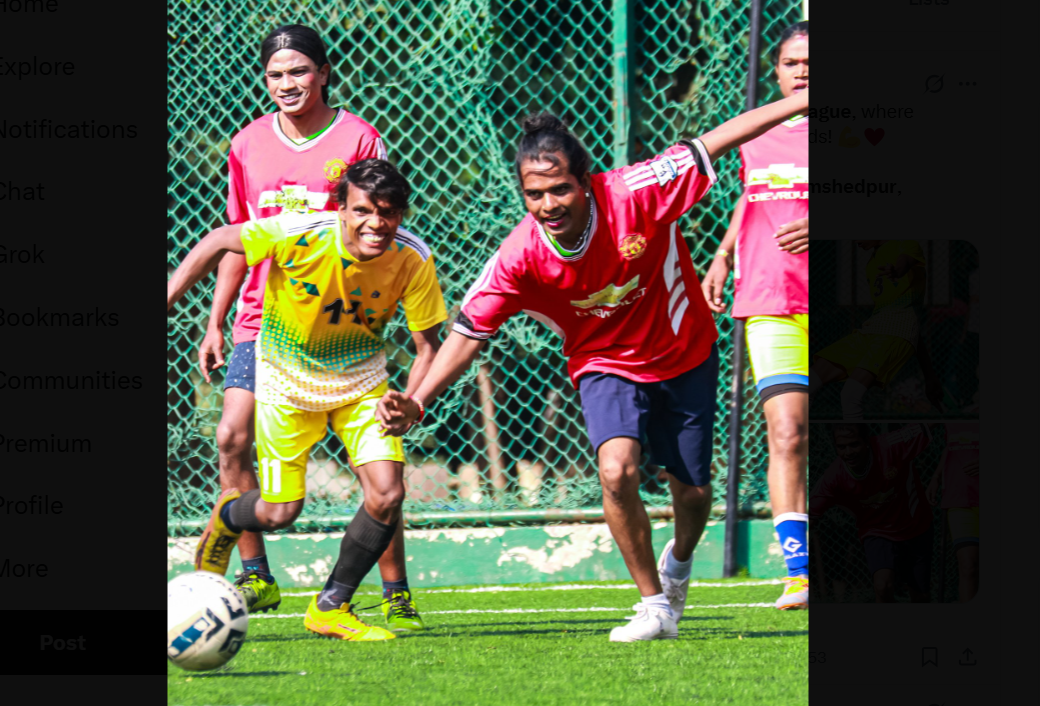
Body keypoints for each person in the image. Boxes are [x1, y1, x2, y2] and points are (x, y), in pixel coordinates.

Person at [377, 88, 810, 641]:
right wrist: (417, 403)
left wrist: (799, 103)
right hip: (604, 363)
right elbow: (468, 332)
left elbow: (722, 138)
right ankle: (653, 606)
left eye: (560, 188)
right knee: (616, 470)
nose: (548, 205)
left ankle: (678, 566)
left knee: (694, 494)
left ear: (585, 181)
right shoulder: (519, 255)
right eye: (535, 194)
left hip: (684, 351)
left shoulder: (637, 190)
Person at [197, 25, 423, 630]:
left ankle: (395, 589)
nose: (287, 83)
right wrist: (216, 319)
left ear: (323, 73)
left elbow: (378, 213)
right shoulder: (247, 144)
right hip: (263, 319)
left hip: (340, 324)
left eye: (299, 71)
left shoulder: (358, 138)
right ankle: (255, 574)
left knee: (379, 465)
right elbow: (236, 239)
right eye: (275, 74)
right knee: (231, 436)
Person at [169, 159, 447, 641]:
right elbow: (218, 240)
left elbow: (428, 349)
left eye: (388, 212)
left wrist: (413, 401)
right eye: (363, 210)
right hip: (287, 385)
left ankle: (331, 606)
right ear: (341, 209)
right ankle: (228, 517)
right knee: (280, 512)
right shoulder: (298, 232)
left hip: (362, 387)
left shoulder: (414, 258)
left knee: (387, 493)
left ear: (401, 214)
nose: (376, 223)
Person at [700, 20, 809, 610]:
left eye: (812, 62)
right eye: (792, 62)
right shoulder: (757, 132)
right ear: (776, 71)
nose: (803, 71)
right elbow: (753, 193)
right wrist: (722, 254)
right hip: (770, 302)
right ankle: (800, 574)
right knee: (786, 433)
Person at [808, 240, 943, 419]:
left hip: (896, 328)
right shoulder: (871, 264)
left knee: (850, 395)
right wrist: (929, 376)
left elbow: (903, 263)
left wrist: (896, 270)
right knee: (809, 383)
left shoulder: (905, 244)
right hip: (873, 327)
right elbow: (914, 335)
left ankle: (856, 437)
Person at [809, 424, 933, 603]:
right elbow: (807, 516)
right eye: (842, 447)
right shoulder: (834, 477)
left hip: (915, 526)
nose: (848, 452)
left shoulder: (891, 445)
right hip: (877, 531)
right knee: (882, 586)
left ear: (867, 442)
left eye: (854, 444)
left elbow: (932, 424)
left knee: (921, 597)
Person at [926, 423, 979, 602]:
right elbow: (951, 447)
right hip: (960, 500)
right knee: (967, 566)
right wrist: (936, 477)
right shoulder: (951, 413)